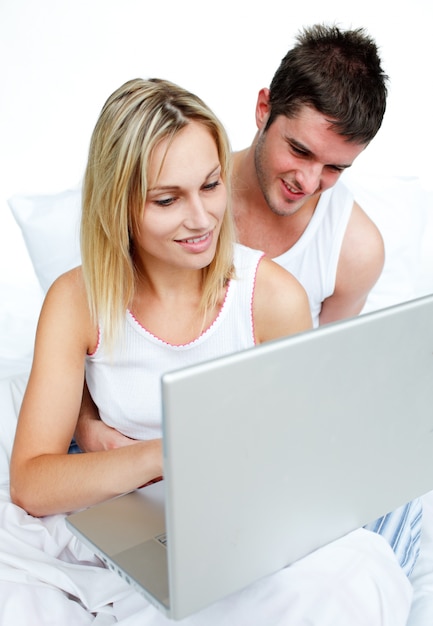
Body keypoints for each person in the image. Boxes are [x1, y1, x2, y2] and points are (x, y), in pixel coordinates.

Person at [8, 77, 413, 626]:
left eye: (211, 185)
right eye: (168, 199)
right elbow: (32, 481)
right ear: (120, 204)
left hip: (245, 532)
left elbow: (301, 466)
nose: (201, 220)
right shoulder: (77, 301)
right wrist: (161, 456)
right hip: (131, 522)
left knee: (356, 575)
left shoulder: (271, 299)